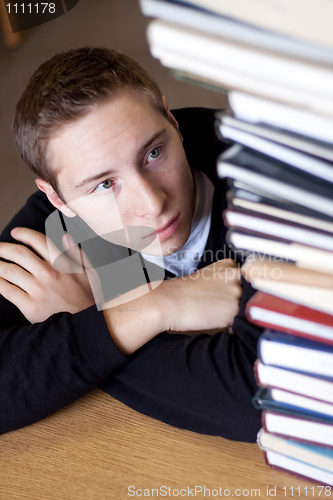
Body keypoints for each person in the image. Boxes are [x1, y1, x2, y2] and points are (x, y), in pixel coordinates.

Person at [0, 47, 262, 440]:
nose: (152, 203)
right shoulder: (61, 221)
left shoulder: (264, 182)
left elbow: (260, 400)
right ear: (58, 198)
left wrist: (88, 327)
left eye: (154, 153)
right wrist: (147, 309)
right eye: (105, 185)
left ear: (172, 122)